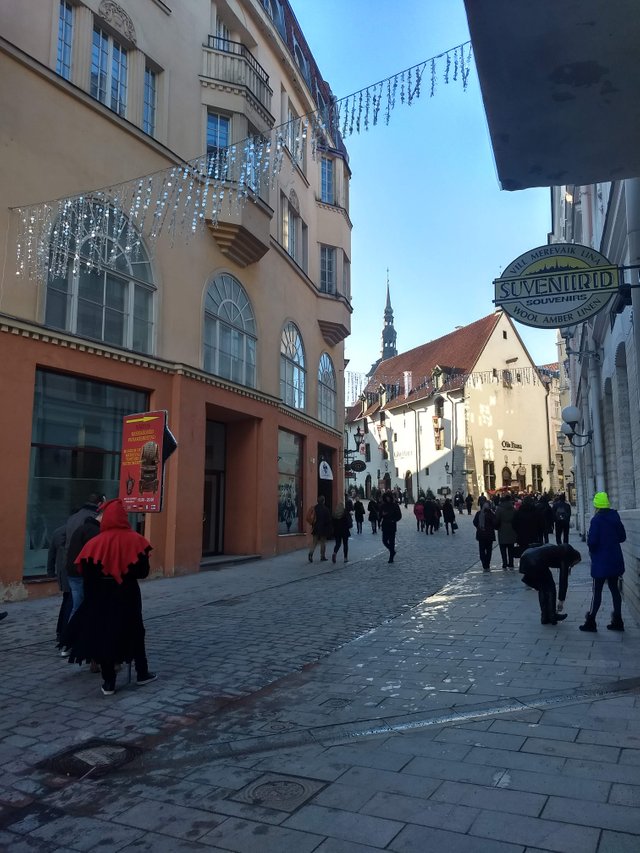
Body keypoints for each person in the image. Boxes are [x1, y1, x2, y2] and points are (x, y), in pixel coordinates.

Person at [65, 498, 156, 695]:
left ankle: (108, 682)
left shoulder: (94, 544)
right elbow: (142, 571)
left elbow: (86, 574)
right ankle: (142, 672)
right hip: (128, 593)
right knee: (136, 631)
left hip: (101, 595)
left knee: (104, 633)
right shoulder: (136, 540)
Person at [580, 492, 626, 633]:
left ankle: (591, 620)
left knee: (597, 591)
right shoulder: (615, 516)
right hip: (615, 559)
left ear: (596, 505)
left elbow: (592, 542)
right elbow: (622, 537)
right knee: (615, 589)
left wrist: (593, 546)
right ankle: (618, 620)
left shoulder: (596, 520)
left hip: (601, 560)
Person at [519, 543, 581, 625]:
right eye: (574, 564)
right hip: (536, 562)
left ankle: (545, 617)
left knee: (543, 588)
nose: (572, 566)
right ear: (574, 558)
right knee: (551, 587)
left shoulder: (560, 549)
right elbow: (563, 579)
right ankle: (552, 616)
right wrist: (561, 600)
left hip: (527, 557)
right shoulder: (567, 554)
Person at [64, 494, 103, 619]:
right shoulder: (94, 521)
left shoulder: (74, 517)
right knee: (79, 605)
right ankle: (73, 633)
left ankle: (65, 632)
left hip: (70, 564)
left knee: (71, 602)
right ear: (100, 503)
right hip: (82, 567)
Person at [47, 523, 73, 650]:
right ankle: (64, 633)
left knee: (66, 600)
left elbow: (51, 553)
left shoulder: (58, 531)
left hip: (62, 573)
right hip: (73, 572)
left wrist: (50, 571)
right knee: (70, 602)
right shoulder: (75, 531)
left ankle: (59, 631)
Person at [494, 493, 517, 570]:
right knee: (511, 548)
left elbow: (496, 520)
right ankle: (511, 563)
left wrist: (496, 526)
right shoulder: (513, 508)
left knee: (503, 548)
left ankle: (504, 563)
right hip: (511, 530)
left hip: (502, 529)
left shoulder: (499, 509)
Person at [308, 495, 333, 562]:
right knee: (323, 542)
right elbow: (328, 520)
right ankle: (322, 556)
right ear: (323, 501)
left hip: (315, 527)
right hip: (323, 528)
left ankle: (310, 553)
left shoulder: (315, 508)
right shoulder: (326, 509)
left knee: (314, 542)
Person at [473, 501, 496, 571]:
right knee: (489, 550)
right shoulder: (491, 514)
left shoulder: (479, 513)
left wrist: (479, 527)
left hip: (481, 535)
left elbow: (475, 522)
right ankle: (487, 564)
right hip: (489, 535)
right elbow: (494, 523)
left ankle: (484, 564)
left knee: (482, 550)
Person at [380, 491, 402, 563]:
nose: (387, 499)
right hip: (385, 525)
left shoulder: (395, 505)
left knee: (392, 541)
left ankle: (391, 557)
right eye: (386, 498)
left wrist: (394, 520)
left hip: (392, 525)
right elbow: (380, 515)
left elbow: (399, 516)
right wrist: (382, 514)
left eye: (388, 497)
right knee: (384, 540)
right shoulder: (383, 505)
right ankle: (392, 551)